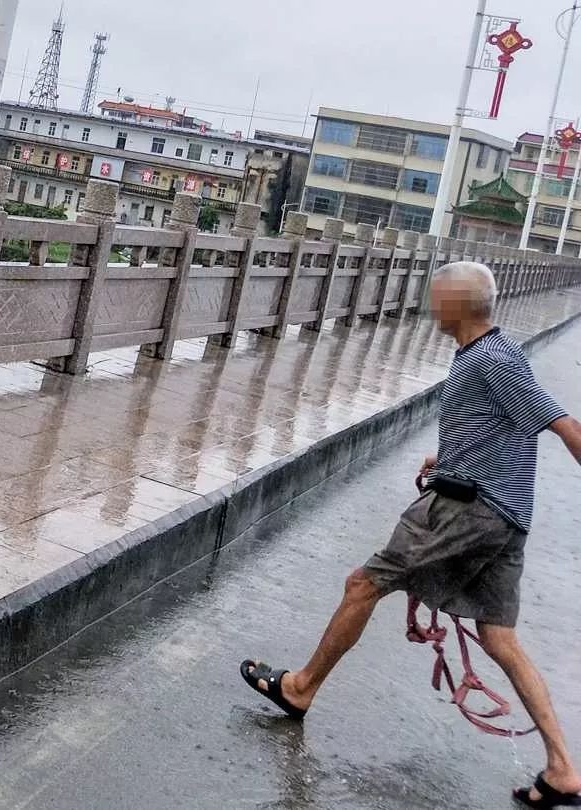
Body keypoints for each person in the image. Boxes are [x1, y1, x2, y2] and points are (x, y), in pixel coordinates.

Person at [240, 262, 581, 809]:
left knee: (363, 585)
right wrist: (446, 458)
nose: (429, 305)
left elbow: (561, 424)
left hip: (470, 511)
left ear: (459, 305)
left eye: (436, 297)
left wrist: (460, 477)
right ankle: (563, 770)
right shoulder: (488, 352)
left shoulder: (492, 360)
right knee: (499, 638)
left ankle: (300, 688)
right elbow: (497, 429)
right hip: (507, 516)